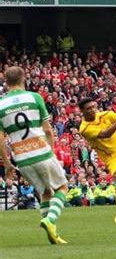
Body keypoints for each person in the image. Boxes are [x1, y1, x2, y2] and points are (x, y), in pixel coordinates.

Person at [0, 66, 68, 244]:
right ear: (23, 79)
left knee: (45, 192)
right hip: (41, 151)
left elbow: (0, 139)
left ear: (5, 82)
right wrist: (51, 152)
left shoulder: (1, 105)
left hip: (22, 158)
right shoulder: (34, 97)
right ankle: (50, 220)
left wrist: (7, 163)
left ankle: (52, 234)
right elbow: (47, 130)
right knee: (62, 187)